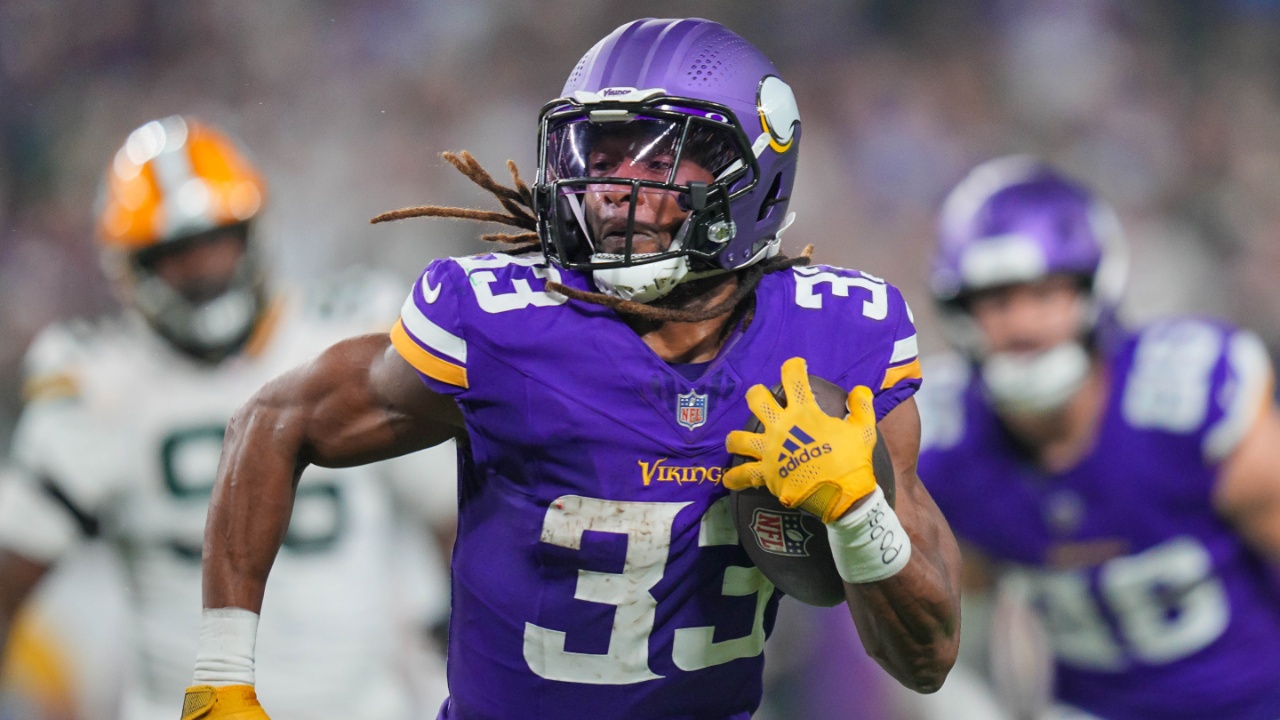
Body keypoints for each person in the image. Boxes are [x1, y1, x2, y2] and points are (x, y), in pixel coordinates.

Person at [182, 18, 962, 720]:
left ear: (754, 171)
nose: (617, 189)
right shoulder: (500, 325)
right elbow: (273, 422)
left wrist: (861, 516)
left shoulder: (837, 339)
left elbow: (926, 660)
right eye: (603, 151)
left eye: (664, 158)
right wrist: (223, 675)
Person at [0, 116, 455, 720]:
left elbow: (452, 514)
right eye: (174, 253)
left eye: (216, 239)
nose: (203, 267)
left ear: (253, 233)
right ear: (129, 268)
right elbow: (12, 577)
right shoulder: (98, 381)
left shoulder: (346, 326)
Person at [915, 155, 1280, 719]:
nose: (1022, 325)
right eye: (996, 300)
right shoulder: (949, 445)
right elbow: (952, 637)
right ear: (960, 311)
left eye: (1045, 294)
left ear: (1093, 290)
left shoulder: (1187, 398)